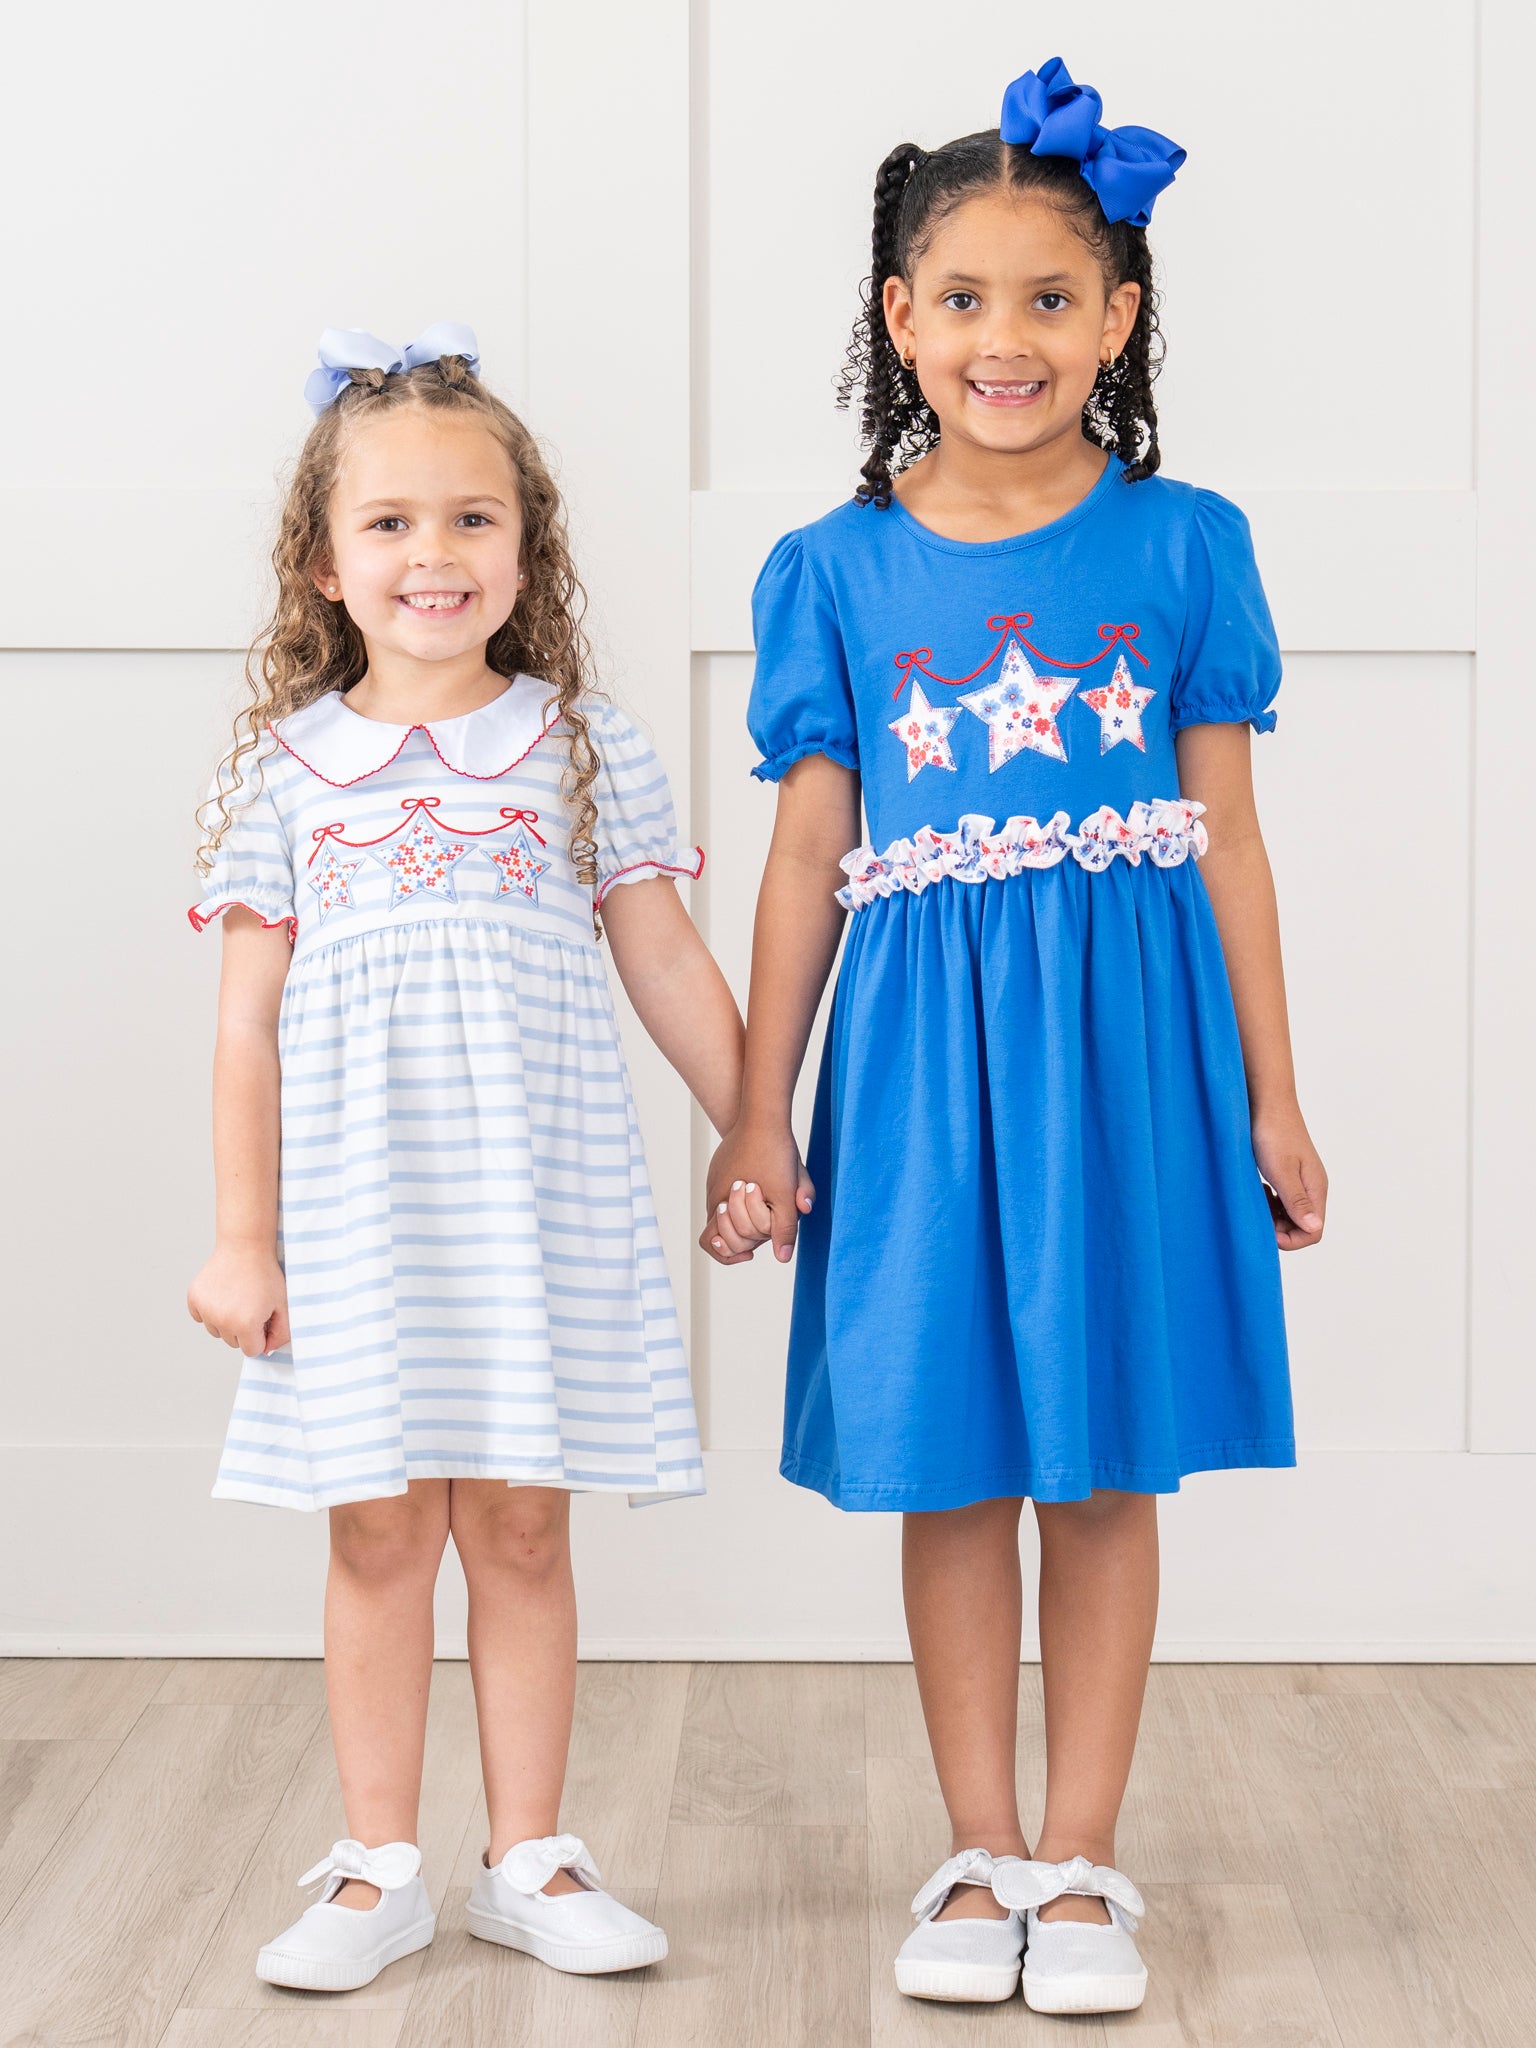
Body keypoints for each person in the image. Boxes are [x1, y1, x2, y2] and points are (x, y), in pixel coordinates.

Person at [703, 60, 1326, 2016]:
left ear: (1118, 317)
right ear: (900, 319)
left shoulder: (1185, 544)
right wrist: (757, 1112)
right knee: (955, 1457)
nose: (1007, 338)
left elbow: (1231, 842)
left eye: (1052, 298)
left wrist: (1276, 1096)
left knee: (1105, 1463)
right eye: (964, 298)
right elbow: (803, 864)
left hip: (1129, 1070)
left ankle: (1082, 1862)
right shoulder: (832, 572)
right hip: (918, 1078)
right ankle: (977, 1849)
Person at [187, 325, 741, 1991]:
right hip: (356, 1219)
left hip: (534, 1211)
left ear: (526, 547)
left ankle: (529, 1855)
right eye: (390, 523)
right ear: (324, 564)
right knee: (373, 1534)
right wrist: (242, 1239)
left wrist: (759, 1126)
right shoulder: (288, 773)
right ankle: (378, 1867)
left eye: (471, 518)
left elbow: (664, 961)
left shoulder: (584, 747)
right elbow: (244, 1028)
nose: (433, 554)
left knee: (519, 1529)